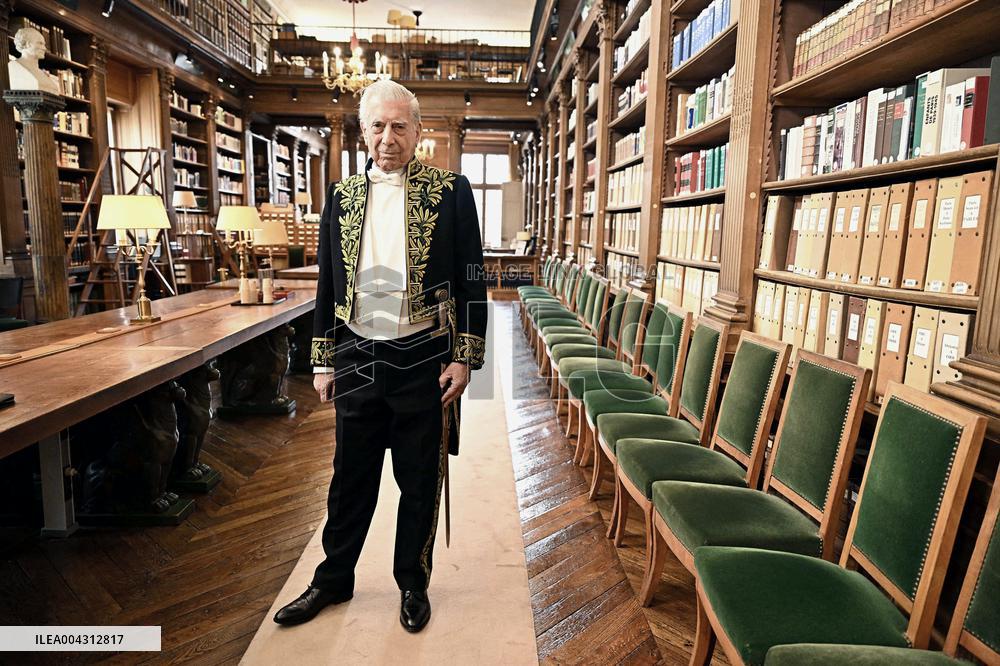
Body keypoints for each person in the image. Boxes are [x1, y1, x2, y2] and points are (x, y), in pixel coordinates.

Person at [273, 80, 487, 633]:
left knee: (419, 480)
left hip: (424, 356)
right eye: (377, 126)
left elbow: (471, 280)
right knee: (350, 480)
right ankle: (332, 579)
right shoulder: (340, 197)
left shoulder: (451, 190)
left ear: (418, 132)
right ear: (362, 131)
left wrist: (464, 358)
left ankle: (412, 582)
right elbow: (327, 285)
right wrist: (322, 360)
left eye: (399, 126)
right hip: (358, 355)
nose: (387, 138)